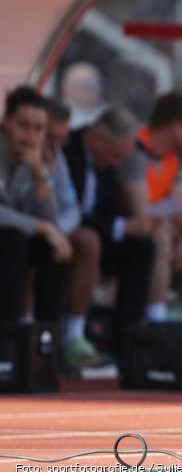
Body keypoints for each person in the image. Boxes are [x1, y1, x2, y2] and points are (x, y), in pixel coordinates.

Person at [63, 107, 157, 359]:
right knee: (89, 241)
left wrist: (129, 226)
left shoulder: (109, 164)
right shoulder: (66, 149)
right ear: (97, 139)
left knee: (142, 246)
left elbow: (108, 210)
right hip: (66, 234)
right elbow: (69, 209)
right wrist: (120, 226)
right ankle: (72, 336)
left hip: (98, 234)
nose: (117, 165)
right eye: (116, 156)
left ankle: (128, 340)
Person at [120, 92, 182, 323]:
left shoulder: (172, 158)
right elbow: (140, 211)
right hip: (125, 233)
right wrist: (173, 223)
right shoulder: (135, 150)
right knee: (160, 236)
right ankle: (156, 323)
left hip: (160, 227)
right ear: (175, 126)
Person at [42, 99, 106, 368]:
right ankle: (25, 333)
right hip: (25, 230)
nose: (56, 144)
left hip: (51, 230)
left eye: (62, 138)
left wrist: (58, 230)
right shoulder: (20, 156)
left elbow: (72, 206)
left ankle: (72, 335)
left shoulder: (58, 158)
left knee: (87, 241)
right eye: (51, 137)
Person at [0, 86, 71, 325]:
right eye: (23, 125)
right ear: (6, 121)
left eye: (38, 129)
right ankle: (6, 346)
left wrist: (39, 174)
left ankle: (44, 342)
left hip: (15, 238)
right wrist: (41, 226)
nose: (30, 136)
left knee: (54, 249)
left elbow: (52, 219)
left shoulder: (35, 160)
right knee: (13, 239)